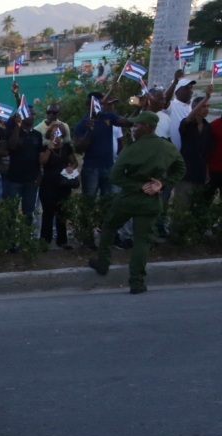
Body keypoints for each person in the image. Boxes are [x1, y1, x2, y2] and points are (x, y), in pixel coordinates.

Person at [88, 111, 185, 294]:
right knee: (142, 240)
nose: (133, 129)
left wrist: (138, 186)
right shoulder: (167, 147)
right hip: (151, 200)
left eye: (136, 125)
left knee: (109, 227)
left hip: (128, 198)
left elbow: (115, 176)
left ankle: (103, 263)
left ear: (147, 127)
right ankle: (137, 282)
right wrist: (161, 183)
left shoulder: (132, 149)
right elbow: (180, 169)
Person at [75, 92, 134, 197]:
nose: (101, 106)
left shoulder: (108, 117)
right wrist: (89, 131)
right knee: (89, 202)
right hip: (91, 169)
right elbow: (79, 149)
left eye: (102, 104)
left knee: (111, 201)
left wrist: (139, 108)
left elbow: (128, 123)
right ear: (88, 106)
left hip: (109, 167)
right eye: (98, 104)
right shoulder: (81, 125)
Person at [38, 124, 79, 249]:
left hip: (63, 183)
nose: (55, 136)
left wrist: (71, 168)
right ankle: (45, 242)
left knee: (62, 211)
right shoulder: (44, 147)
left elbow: (75, 162)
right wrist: (49, 149)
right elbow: (41, 162)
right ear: (49, 135)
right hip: (48, 183)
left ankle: (62, 241)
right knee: (48, 213)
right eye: (53, 134)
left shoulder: (66, 148)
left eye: (58, 134)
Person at [4, 108, 44, 226]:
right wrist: (17, 127)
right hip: (14, 179)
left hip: (31, 180)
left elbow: (39, 156)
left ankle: (25, 240)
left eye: (34, 114)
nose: (33, 116)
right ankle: (10, 241)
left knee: (28, 211)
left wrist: (40, 173)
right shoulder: (12, 133)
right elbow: (12, 146)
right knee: (11, 211)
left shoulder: (37, 135)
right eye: (30, 114)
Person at [174, 95, 214, 206]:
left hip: (200, 173)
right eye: (203, 106)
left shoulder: (207, 127)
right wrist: (206, 98)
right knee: (181, 207)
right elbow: (189, 119)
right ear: (194, 108)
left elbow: (206, 152)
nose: (206, 109)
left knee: (195, 208)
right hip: (186, 172)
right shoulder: (187, 124)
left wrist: (207, 172)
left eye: (208, 106)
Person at [165, 76, 196, 152]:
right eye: (186, 89)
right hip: (175, 151)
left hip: (192, 151)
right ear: (177, 92)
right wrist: (175, 82)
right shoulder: (172, 106)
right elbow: (165, 100)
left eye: (191, 88)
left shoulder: (194, 105)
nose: (190, 91)